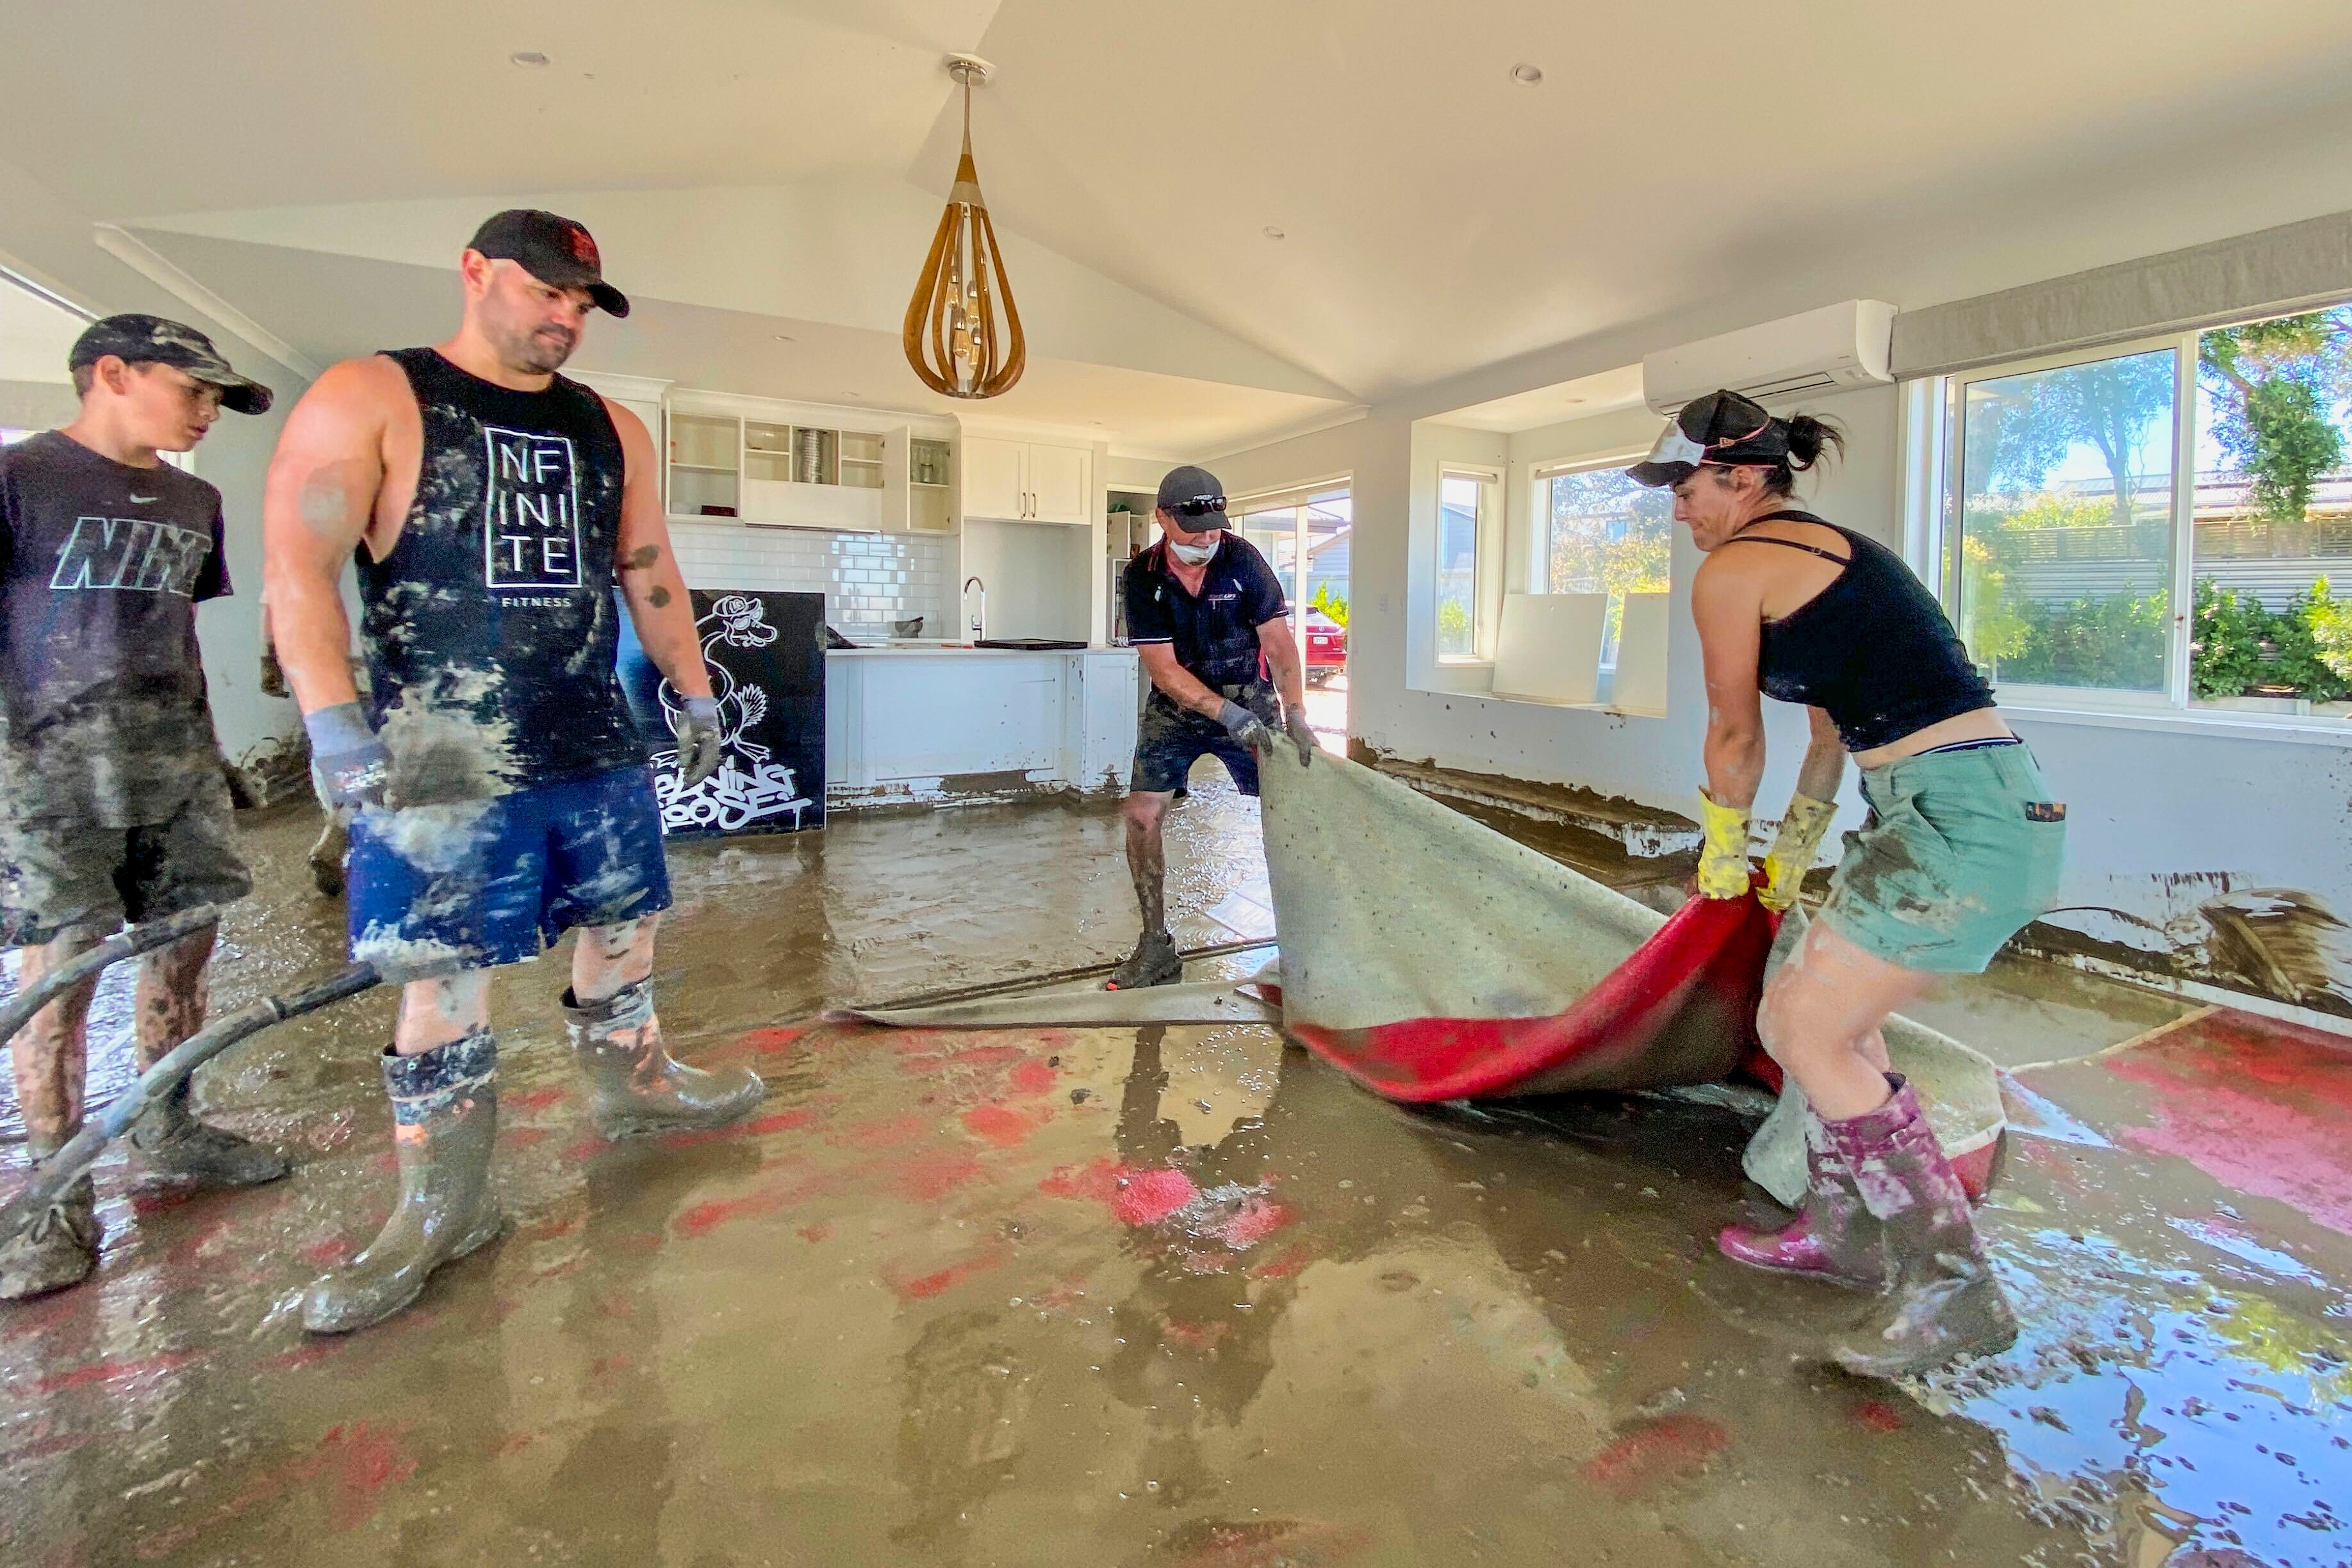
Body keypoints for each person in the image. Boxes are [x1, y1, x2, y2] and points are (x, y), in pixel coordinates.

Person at [262, 209, 763, 1334]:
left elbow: (647, 562)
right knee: (444, 977)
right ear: (476, 271)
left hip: (586, 727)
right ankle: (439, 1206)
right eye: (546, 291)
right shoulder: (373, 394)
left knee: (629, 924)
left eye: (582, 301)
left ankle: (633, 1086)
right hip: (435, 749)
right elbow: (300, 568)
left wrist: (690, 688)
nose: (566, 316)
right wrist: (334, 727)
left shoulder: (609, 425)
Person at [1628, 389, 2064, 1378]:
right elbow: (1827, 732)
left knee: (1802, 1030)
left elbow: (1735, 731)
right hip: (1947, 806)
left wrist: (1724, 845)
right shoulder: (1831, 553)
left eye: (1685, 488)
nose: (1677, 510)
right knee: (1827, 1019)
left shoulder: (1738, 568)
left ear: (1739, 479)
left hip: (1960, 819)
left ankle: (1950, 1284)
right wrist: (1797, 842)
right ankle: (1845, 1231)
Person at [1, 314, 286, 1302]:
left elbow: (166, 635)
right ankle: (55, 1195)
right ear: (111, 374)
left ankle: (168, 1124)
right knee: (61, 979)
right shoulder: (22, 478)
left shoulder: (194, 499)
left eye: (218, 397)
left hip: (173, 769)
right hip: (51, 778)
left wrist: (208, 750)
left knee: (184, 951)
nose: (207, 411)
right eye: (194, 389)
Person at [1108, 466, 1315, 990]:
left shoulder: (1242, 559)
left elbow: (1279, 644)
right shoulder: (1142, 577)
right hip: (1176, 709)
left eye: (1213, 528)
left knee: (1287, 813)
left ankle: (1308, 943)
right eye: (1193, 529)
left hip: (1249, 694)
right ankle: (1155, 945)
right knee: (1140, 816)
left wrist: (1296, 714)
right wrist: (1223, 716)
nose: (1205, 539)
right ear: (1162, 518)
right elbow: (1163, 669)